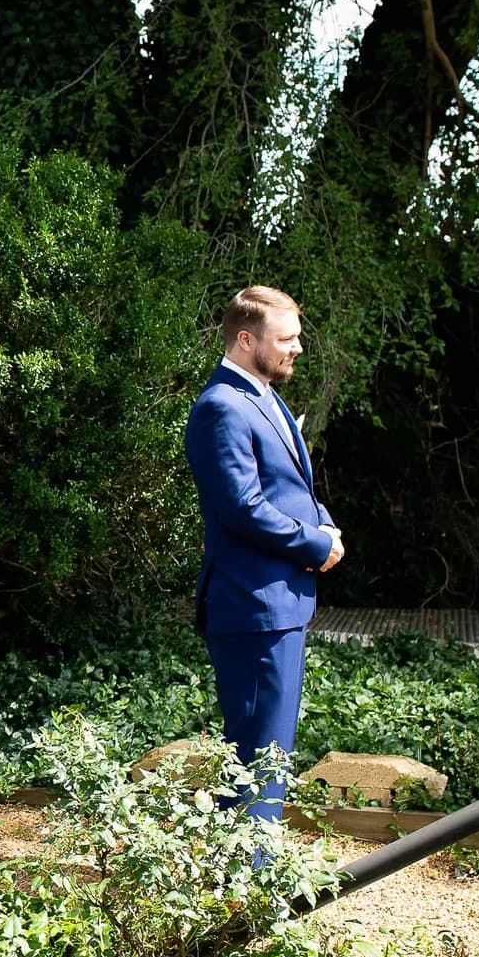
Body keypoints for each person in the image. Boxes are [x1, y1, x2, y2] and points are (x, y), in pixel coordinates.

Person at [184, 286, 344, 824]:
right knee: (257, 756)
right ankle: (245, 886)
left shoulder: (261, 394)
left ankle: (247, 876)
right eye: (287, 339)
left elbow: (287, 483)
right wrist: (316, 544)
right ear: (246, 339)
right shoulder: (221, 407)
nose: (297, 348)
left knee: (268, 754)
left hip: (276, 605)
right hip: (251, 606)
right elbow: (243, 508)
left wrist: (321, 519)